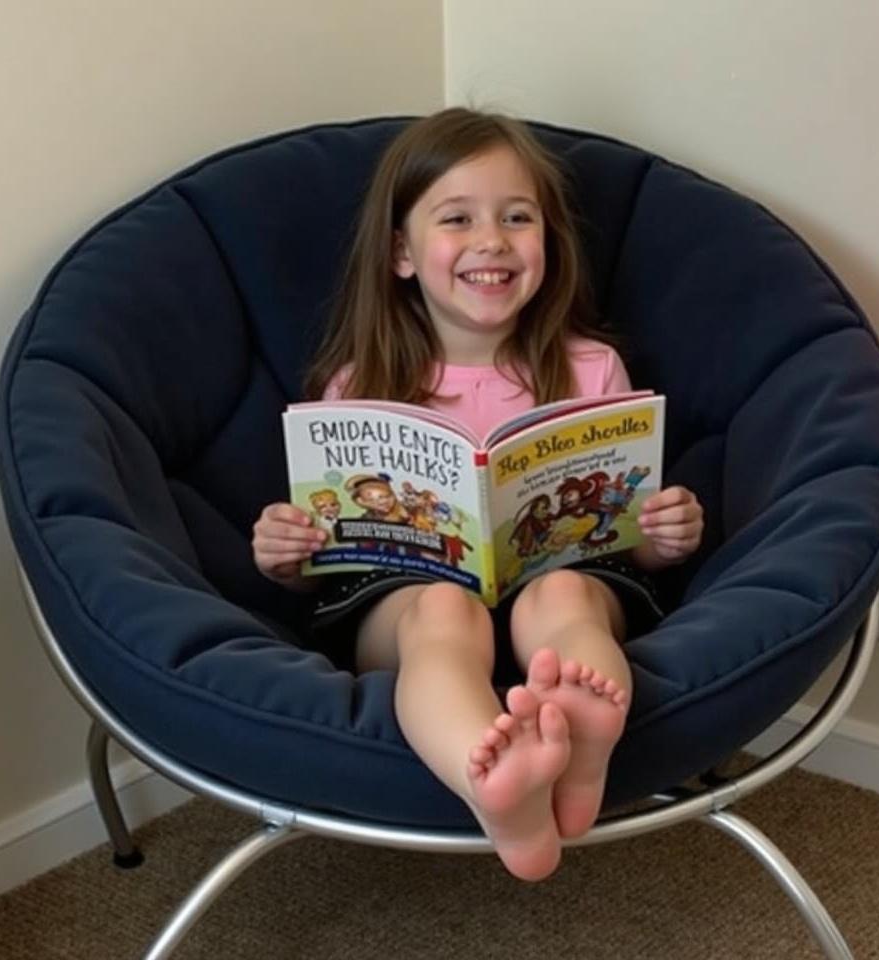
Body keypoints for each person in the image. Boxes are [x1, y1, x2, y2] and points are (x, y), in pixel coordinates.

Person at [251, 108, 704, 881]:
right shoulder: (358, 387)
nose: (492, 241)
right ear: (401, 252)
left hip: (559, 579)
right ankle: (489, 775)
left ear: (548, 245)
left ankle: (586, 725)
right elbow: (323, 553)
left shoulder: (592, 369)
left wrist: (663, 537)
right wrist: (284, 553)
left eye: (517, 218)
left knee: (561, 594)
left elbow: (624, 536)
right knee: (443, 611)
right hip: (408, 602)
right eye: (457, 218)